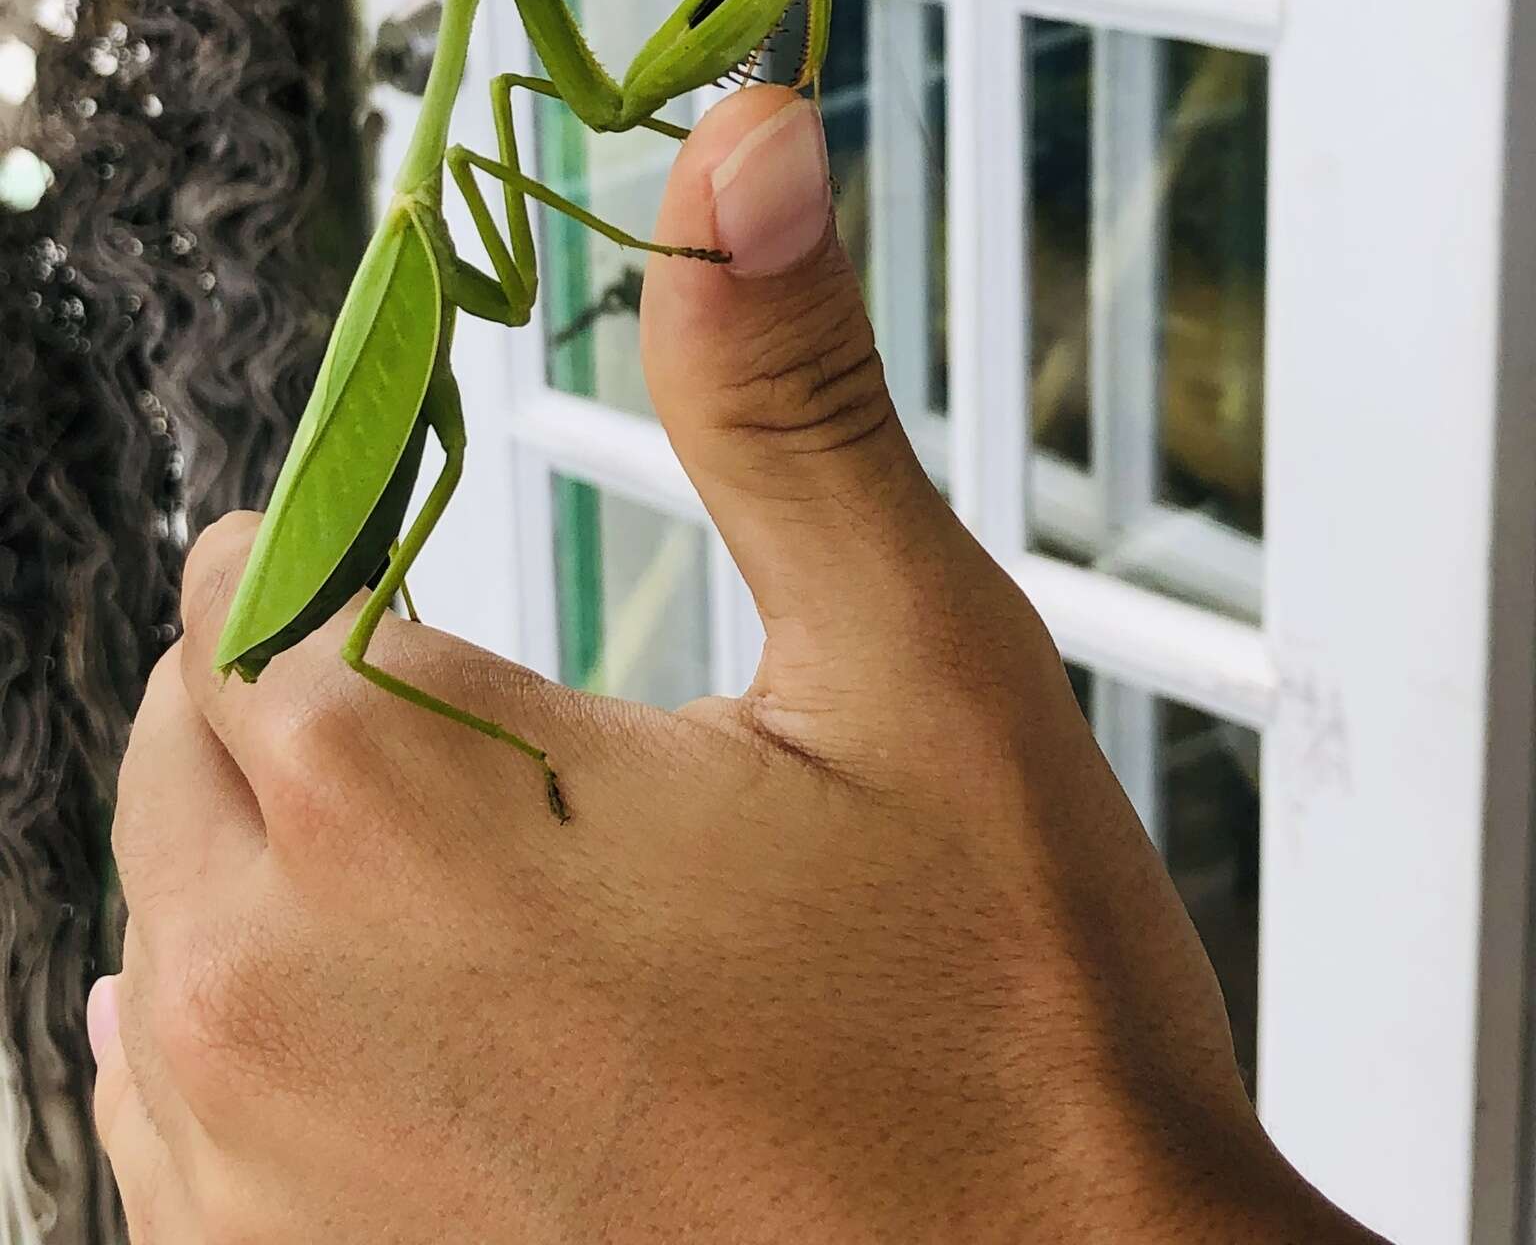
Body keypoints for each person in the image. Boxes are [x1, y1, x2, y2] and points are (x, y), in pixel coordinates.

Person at [92, 84, 1387, 1242]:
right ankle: (457, 712)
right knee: (413, 538)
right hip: (328, 516)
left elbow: (536, 228)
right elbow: (544, 214)